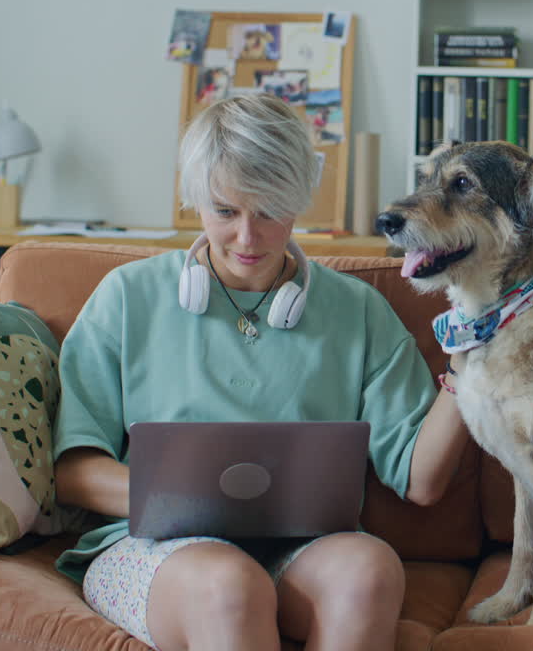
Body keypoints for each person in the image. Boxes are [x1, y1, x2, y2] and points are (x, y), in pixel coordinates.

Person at [52, 94, 470, 651]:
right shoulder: (127, 298)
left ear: (298, 201)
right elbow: (73, 470)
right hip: (154, 548)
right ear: (196, 201)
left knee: (369, 570)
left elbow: (421, 482)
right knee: (230, 586)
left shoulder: (357, 310)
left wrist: (471, 365)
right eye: (225, 211)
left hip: (301, 549)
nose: (248, 238)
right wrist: (188, 496)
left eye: (269, 210)